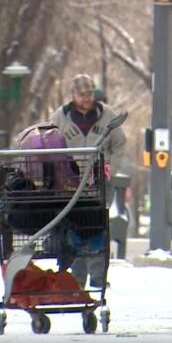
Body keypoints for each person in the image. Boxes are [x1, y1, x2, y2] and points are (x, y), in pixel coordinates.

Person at [49, 73, 129, 288]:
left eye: (90, 93)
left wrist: (110, 165)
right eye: (82, 94)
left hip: (100, 183)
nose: (86, 98)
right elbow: (49, 145)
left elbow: (120, 144)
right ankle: (76, 278)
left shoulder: (107, 116)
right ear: (73, 95)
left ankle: (98, 276)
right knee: (73, 227)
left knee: (96, 225)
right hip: (70, 184)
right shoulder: (60, 118)